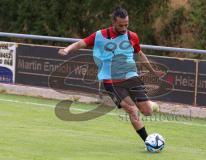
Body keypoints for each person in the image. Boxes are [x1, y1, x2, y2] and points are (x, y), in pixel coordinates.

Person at [58, 7, 165, 143]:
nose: (124, 27)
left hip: (131, 77)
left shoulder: (132, 36)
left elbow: (140, 54)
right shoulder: (100, 35)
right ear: (113, 22)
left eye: (126, 24)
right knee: (131, 109)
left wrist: (153, 71)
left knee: (147, 111)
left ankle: (151, 104)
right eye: (121, 25)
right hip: (111, 81)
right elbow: (81, 43)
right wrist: (67, 49)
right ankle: (148, 142)